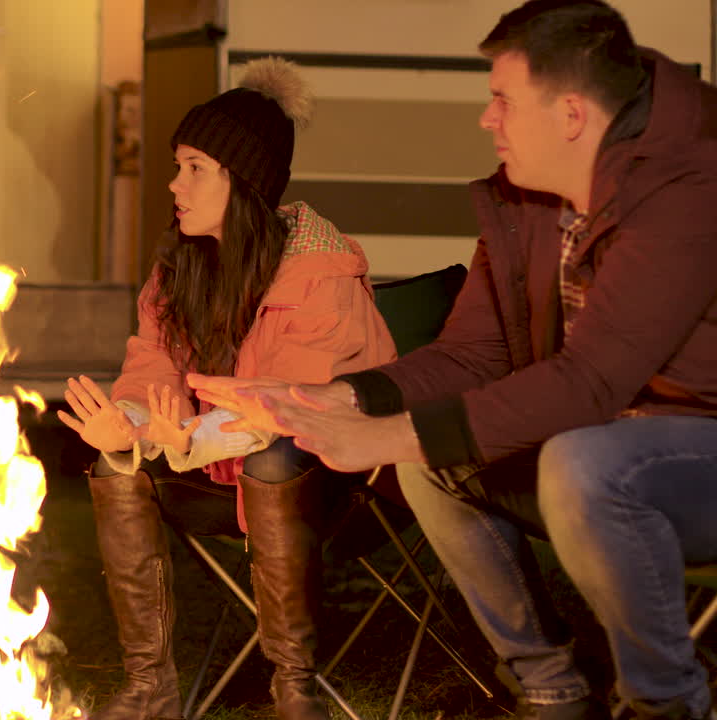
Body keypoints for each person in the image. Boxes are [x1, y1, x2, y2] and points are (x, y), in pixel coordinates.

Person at [188, 2, 717, 719]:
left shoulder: (690, 182)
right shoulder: (528, 195)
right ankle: (548, 685)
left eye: (501, 100)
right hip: (602, 444)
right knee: (428, 454)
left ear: (569, 115)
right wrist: (335, 397)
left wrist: (387, 434)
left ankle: (668, 703)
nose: (485, 120)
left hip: (694, 446)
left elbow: (591, 382)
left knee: (577, 461)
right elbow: (476, 350)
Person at [59, 58, 397, 720]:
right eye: (177, 164)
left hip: (333, 478)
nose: (173, 183)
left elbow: (291, 406)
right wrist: (128, 426)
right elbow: (152, 366)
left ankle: (295, 688)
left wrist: (185, 439)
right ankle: (149, 686)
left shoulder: (318, 272)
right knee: (115, 466)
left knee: (275, 458)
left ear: (243, 182)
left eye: (194, 168)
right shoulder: (180, 268)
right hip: (218, 469)